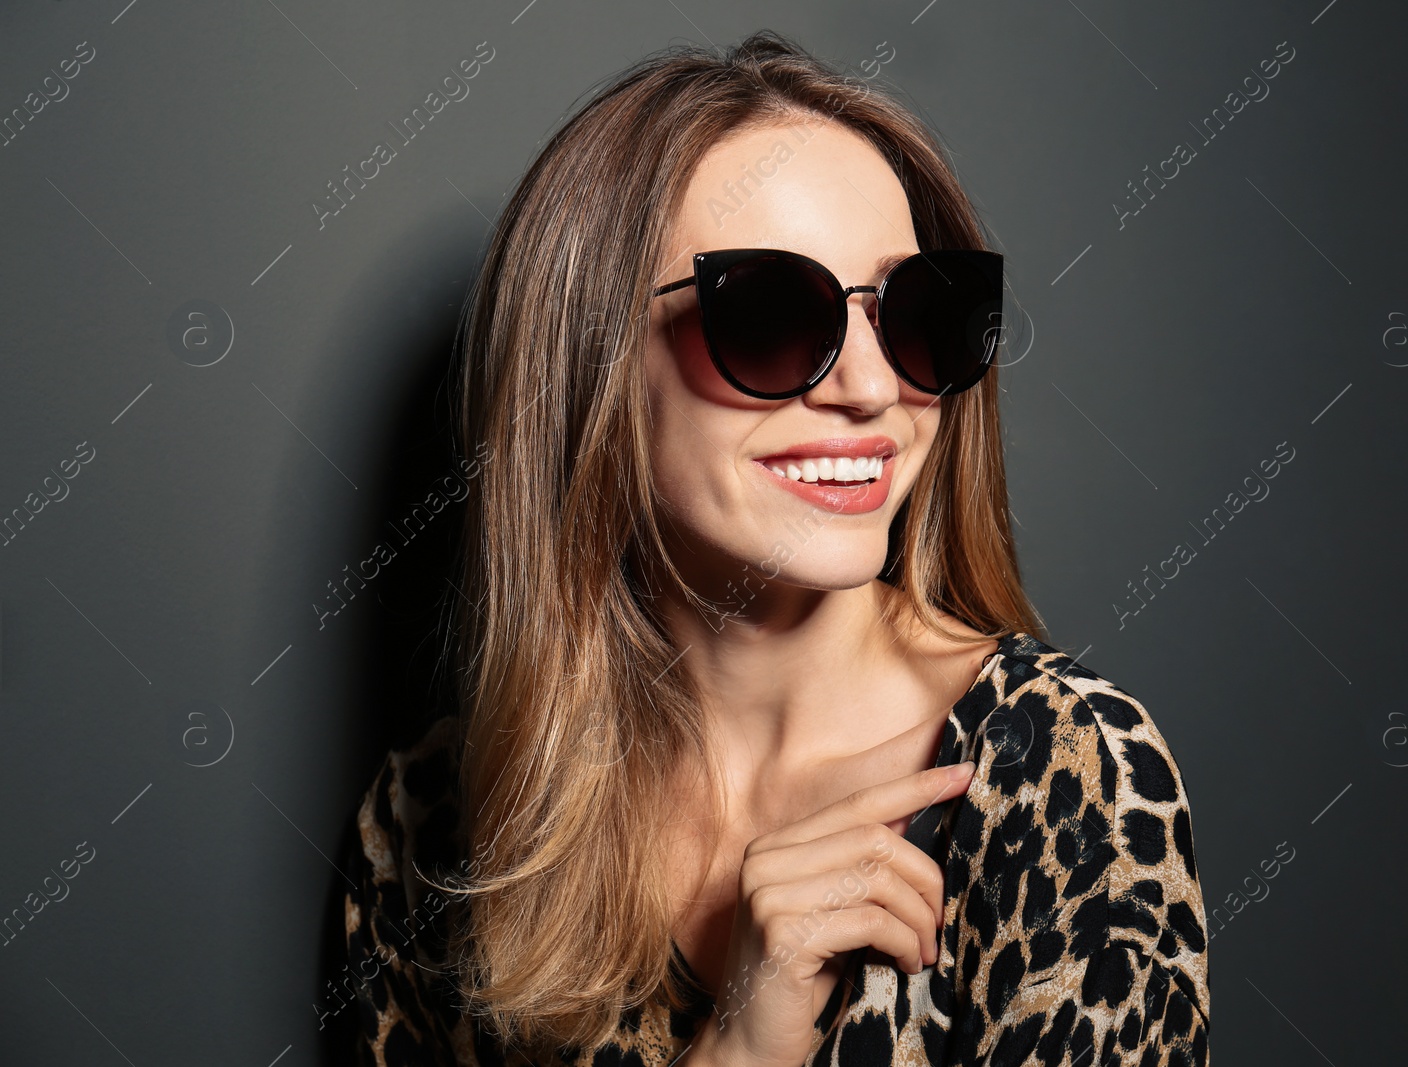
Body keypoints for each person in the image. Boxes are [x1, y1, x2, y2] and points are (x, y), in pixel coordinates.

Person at [337, 29, 1209, 1067]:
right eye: (767, 312)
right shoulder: (428, 825)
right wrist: (743, 1043)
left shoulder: (1056, 779)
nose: (874, 387)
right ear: (591, 371)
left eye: (920, 311)